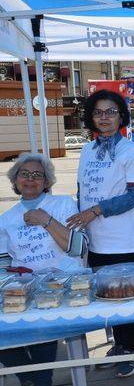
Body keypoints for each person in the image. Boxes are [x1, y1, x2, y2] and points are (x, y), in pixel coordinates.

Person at [67, 89, 134, 378]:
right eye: (99, 112)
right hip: (94, 236)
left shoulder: (132, 151)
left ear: (121, 116)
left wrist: (95, 211)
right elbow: (82, 188)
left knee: (125, 294)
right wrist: (82, 218)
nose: (104, 117)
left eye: (111, 112)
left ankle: (131, 349)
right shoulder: (87, 149)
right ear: (91, 116)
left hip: (123, 237)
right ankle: (119, 344)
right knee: (105, 295)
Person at [0, 153, 84, 386]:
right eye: (24, 174)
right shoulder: (6, 219)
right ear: (15, 180)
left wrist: (45, 220)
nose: (31, 179)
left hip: (64, 284)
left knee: (43, 313)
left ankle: (38, 380)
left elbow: (77, 248)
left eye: (38, 175)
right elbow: (3, 264)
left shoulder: (62, 204)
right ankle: (32, 378)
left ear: (47, 182)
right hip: (24, 288)